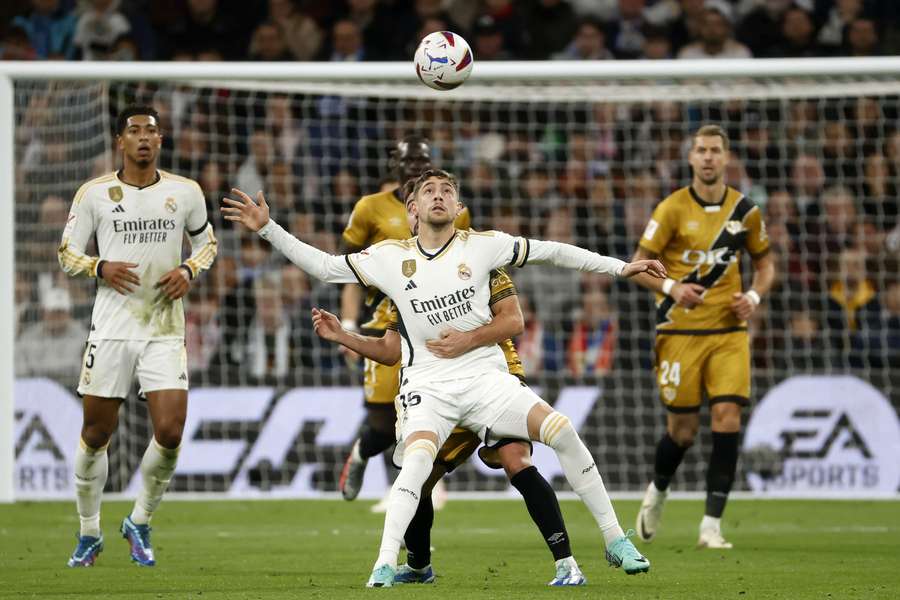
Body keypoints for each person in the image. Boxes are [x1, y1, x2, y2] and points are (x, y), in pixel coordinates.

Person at [221, 169, 665, 586]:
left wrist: (619, 267)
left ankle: (613, 539)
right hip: (429, 386)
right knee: (413, 465)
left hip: (487, 379)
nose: (438, 194)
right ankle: (384, 563)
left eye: (447, 190)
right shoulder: (389, 258)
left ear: (458, 206)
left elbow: (552, 251)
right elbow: (324, 266)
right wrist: (267, 228)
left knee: (562, 429)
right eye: (428, 190)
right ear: (411, 210)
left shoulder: (483, 246)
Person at [314, 196, 588, 586]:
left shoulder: (481, 263)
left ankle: (567, 563)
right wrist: (344, 335)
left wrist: (468, 339)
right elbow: (392, 350)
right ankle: (419, 565)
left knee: (516, 459)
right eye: (414, 211)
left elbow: (513, 322)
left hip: (490, 382)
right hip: (440, 392)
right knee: (416, 476)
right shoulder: (404, 284)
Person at [58, 105, 218, 567]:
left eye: (151, 131)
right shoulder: (94, 195)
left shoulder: (185, 192)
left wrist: (189, 268)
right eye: (134, 131)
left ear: (161, 141)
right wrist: (99, 266)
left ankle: (140, 520)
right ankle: (89, 532)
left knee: (170, 431)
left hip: (164, 327)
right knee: (96, 432)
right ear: (120, 141)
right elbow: (66, 252)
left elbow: (207, 242)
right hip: (111, 329)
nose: (144, 138)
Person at [631, 124, 775, 549]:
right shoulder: (672, 208)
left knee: (727, 418)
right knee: (682, 431)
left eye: (715, 150)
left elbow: (766, 264)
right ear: (691, 158)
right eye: (701, 150)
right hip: (679, 331)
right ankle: (658, 489)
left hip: (729, 331)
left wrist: (753, 294)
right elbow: (639, 264)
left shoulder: (745, 211)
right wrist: (673, 288)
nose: (709, 157)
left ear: (725, 158)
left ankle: (711, 525)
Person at [337, 136, 468, 504]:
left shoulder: (455, 209)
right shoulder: (370, 209)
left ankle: (412, 496)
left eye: (422, 161)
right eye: (408, 161)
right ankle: (361, 455)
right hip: (384, 325)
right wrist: (348, 325)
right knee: (381, 424)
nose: (414, 167)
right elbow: (346, 271)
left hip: (431, 329)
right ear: (394, 164)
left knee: (422, 416)